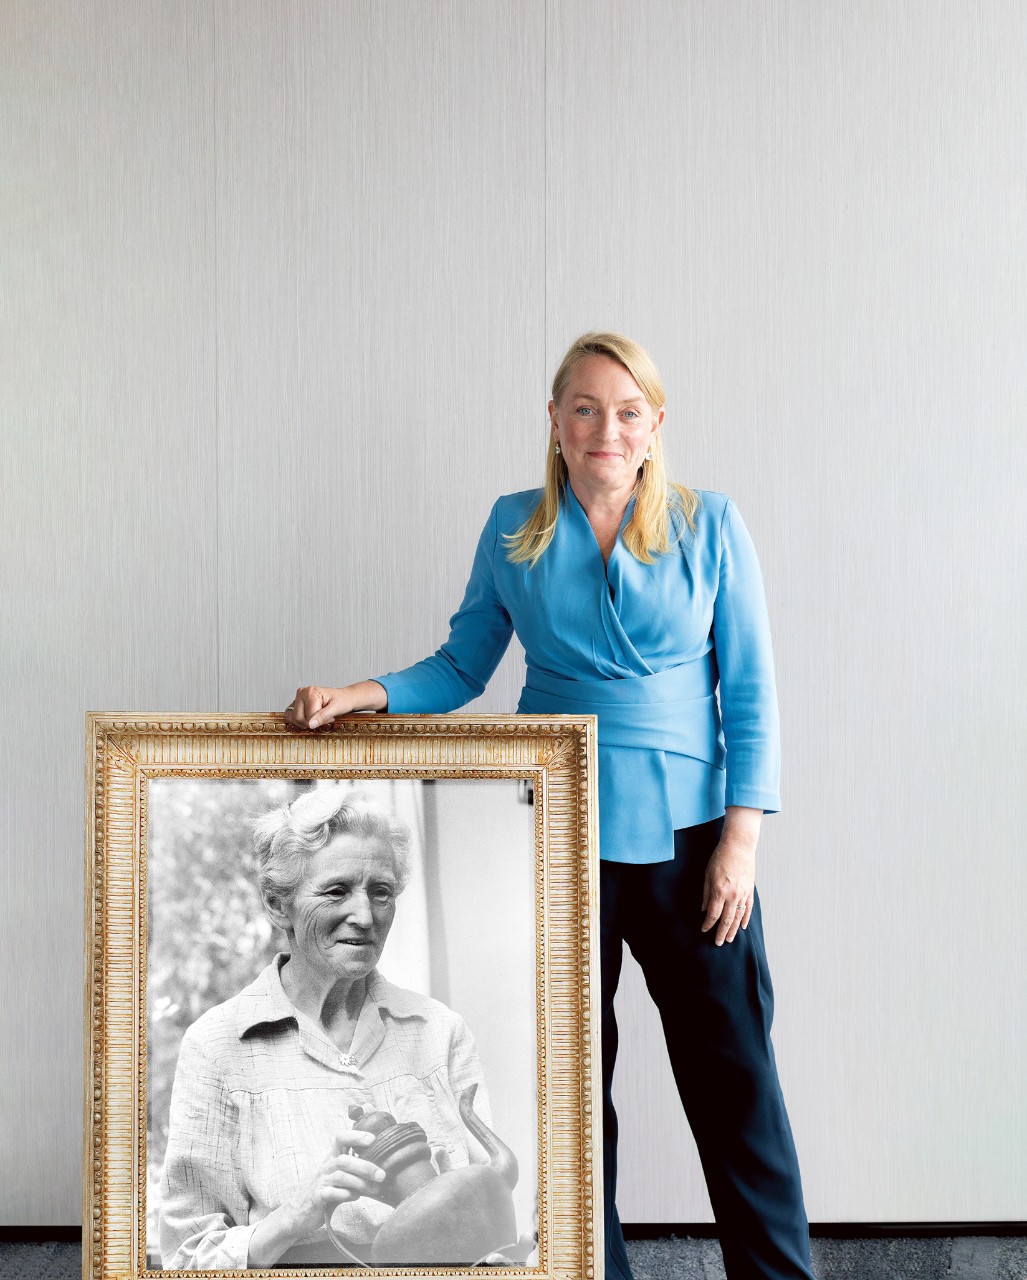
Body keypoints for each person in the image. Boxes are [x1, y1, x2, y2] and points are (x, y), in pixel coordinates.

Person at [285, 332, 815, 1280]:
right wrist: (363, 693)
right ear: (555, 423)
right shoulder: (511, 527)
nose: (604, 428)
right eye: (583, 408)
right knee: (573, 1089)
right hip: (559, 836)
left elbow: (752, 694)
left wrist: (742, 840)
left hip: (695, 850)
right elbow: (459, 667)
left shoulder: (711, 522)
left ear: (655, 426)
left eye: (625, 411)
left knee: (736, 1084)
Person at [158, 786, 496, 1269]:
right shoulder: (217, 1046)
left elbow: (489, 1213)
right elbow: (188, 1258)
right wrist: (300, 1213)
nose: (364, 916)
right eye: (336, 890)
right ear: (279, 906)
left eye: (381, 892)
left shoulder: (440, 1031)